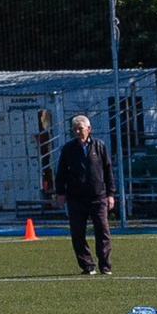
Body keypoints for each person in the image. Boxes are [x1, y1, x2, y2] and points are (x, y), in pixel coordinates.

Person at [55, 113, 114, 275]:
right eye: (75, 129)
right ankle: (87, 266)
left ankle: (105, 266)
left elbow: (108, 171)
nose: (78, 132)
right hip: (76, 198)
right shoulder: (68, 149)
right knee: (78, 233)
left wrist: (110, 194)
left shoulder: (100, 146)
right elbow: (61, 173)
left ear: (89, 129)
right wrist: (61, 192)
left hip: (98, 197)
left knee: (102, 231)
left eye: (80, 129)